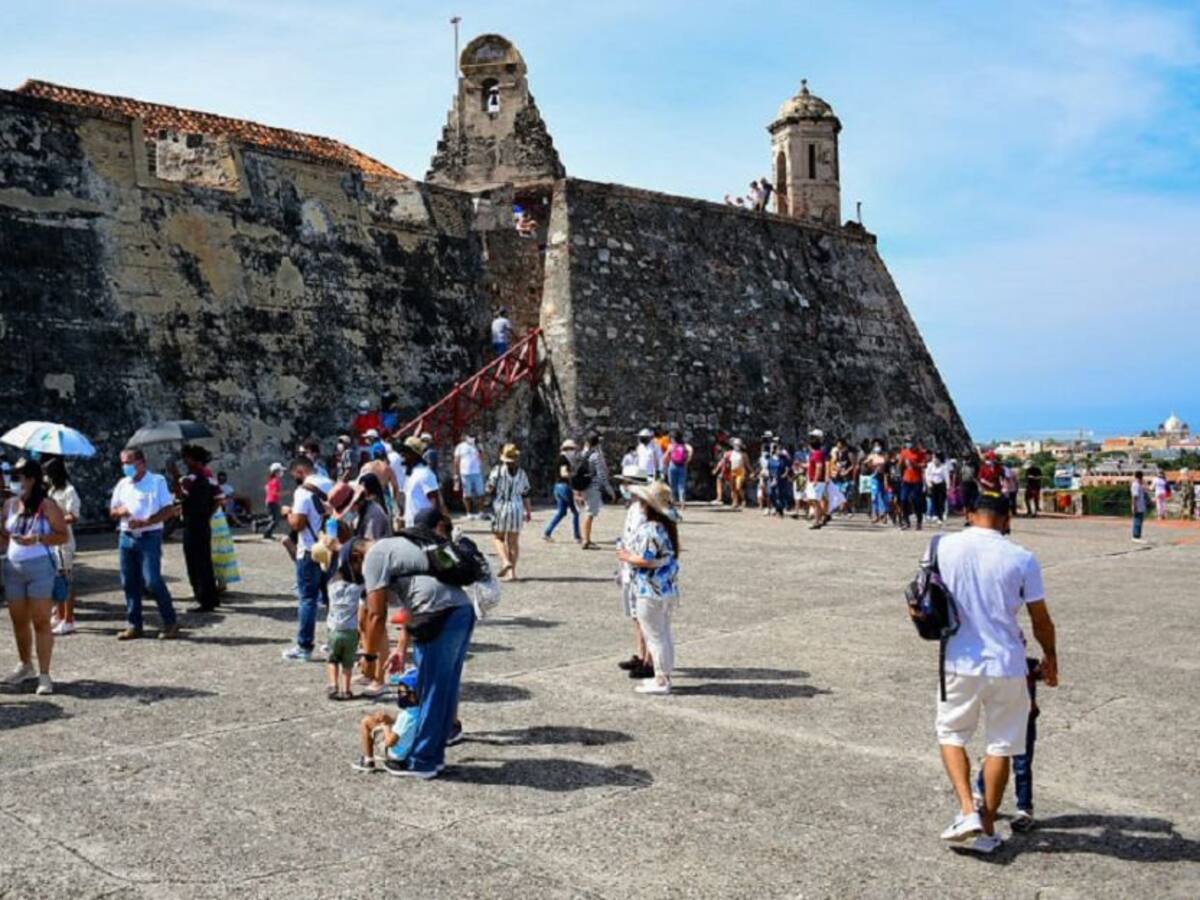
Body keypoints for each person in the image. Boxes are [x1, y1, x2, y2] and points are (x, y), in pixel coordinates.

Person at [921, 492, 1058, 855]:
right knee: (1002, 744)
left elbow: (921, 597)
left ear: (968, 514)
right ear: (1007, 518)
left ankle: (967, 809)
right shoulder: (1022, 558)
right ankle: (985, 829)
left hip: (958, 658)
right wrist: (1050, 657)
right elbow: (1040, 619)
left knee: (951, 733)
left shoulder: (942, 546)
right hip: (1008, 662)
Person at [359, 519, 477, 778]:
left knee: (430, 692)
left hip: (438, 616)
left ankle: (422, 761)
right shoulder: (403, 545)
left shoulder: (374, 557)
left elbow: (376, 615)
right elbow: (412, 602)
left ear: (356, 557)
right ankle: (434, 757)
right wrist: (402, 647)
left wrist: (369, 657)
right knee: (444, 690)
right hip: (462, 611)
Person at [1, 459, 69, 694]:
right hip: (12, 568)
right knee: (19, 621)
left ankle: (45, 674)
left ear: (30, 480)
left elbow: (63, 536)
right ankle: (25, 665)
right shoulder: (10, 505)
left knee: (41, 621)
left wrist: (38, 539)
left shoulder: (47, 505)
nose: (12, 482)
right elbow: (4, 536)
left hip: (40, 567)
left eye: (17, 478)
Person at [616, 481, 681, 696]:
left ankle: (661, 680)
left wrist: (626, 556)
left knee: (655, 636)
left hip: (649, 590)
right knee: (664, 634)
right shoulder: (665, 527)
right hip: (665, 589)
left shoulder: (650, 529)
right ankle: (664, 675)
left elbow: (646, 559)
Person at [110, 448, 180, 641]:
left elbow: (168, 510)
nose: (126, 467)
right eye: (123, 463)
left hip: (149, 535)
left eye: (129, 462)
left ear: (141, 462)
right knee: (129, 582)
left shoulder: (156, 482)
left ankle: (170, 622)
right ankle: (134, 624)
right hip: (126, 536)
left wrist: (147, 521)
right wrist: (120, 511)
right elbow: (112, 511)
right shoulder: (123, 484)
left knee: (152, 580)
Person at [975, 656, 1043, 832]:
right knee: (996, 756)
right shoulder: (997, 665)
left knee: (1022, 765)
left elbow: (1042, 676)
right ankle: (981, 796)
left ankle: (1024, 809)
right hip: (1003, 719)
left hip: (1024, 720)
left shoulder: (1026, 665)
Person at [280, 456, 335, 661]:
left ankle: (304, 646)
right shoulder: (330, 484)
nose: (294, 478)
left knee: (308, 599)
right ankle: (333, 641)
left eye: (294, 474)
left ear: (301, 471)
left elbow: (298, 524)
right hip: (330, 547)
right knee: (331, 598)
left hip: (310, 550)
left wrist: (288, 513)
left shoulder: (302, 492)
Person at [615, 467, 653, 679]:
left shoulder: (647, 509)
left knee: (645, 618)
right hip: (629, 566)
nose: (623, 487)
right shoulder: (632, 508)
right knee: (636, 617)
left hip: (640, 568)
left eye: (626, 483)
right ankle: (640, 655)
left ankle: (650, 660)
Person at [178, 445, 221, 613]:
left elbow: (181, 496)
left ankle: (203, 597)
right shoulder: (209, 476)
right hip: (203, 523)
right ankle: (210, 596)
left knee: (195, 562)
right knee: (205, 561)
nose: (185, 461)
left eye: (187, 458)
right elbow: (219, 499)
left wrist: (176, 478)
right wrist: (208, 515)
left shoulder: (192, 479)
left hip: (194, 523)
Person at [353, 673, 419, 772]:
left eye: (402, 692)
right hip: (410, 750)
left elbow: (390, 742)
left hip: (396, 755)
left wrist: (385, 726)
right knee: (377, 721)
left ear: (412, 696)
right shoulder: (422, 711)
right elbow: (407, 726)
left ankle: (368, 762)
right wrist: (391, 719)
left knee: (366, 722)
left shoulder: (405, 717)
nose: (400, 694)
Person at [44, 458, 81, 636]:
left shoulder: (69, 491)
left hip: (64, 541)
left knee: (67, 580)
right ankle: (59, 616)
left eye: (49, 474)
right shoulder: (52, 490)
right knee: (56, 580)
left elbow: (73, 516)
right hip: (53, 541)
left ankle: (69, 619)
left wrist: (55, 520)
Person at [487, 444, 532, 582]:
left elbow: (489, 488)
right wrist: (528, 510)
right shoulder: (522, 473)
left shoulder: (498, 471)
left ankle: (505, 561)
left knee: (498, 538)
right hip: (517, 508)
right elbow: (526, 493)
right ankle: (512, 573)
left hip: (501, 507)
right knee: (513, 542)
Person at [325, 549, 365, 701]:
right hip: (351, 630)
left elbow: (327, 569)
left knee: (332, 660)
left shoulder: (332, 585)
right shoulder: (358, 588)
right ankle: (346, 690)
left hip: (334, 629)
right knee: (348, 664)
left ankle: (333, 685)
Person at [578, 433, 613, 550]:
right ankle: (586, 540)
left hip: (584, 486)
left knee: (588, 512)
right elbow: (601, 475)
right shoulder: (596, 456)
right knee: (590, 513)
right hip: (593, 486)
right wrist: (609, 490)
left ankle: (586, 538)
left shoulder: (583, 454)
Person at [398, 436, 442, 528]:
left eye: (405, 452)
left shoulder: (425, 474)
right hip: (411, 527)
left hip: (423, 529)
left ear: (414, 454)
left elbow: (435, 504)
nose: (402, 455)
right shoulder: (411, 474)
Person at [544, 439, 582, 543]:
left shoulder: (559, 459)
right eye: (573, 449)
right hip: (564, 487)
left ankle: (547, 532)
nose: (574, 452)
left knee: (561, 512)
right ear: (568, 449)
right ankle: (577, 536)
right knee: (576, 512)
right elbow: (564, 473)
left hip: (557, 487)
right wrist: (573, 474)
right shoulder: (563, 460)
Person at [897, 439, 928, 530]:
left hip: (916, 480)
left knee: (915, 500)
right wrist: (900, 462)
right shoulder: (904, 452)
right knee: (903, 500)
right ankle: (906, 521)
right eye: (906, 442)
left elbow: (924, 465)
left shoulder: (920, 453)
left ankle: (919, 521)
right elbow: (900, 465)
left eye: (910, 442)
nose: (908, 444)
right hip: (906, 480)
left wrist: (915, 465)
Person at [453, 435, 485, 519]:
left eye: (473, 437)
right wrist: (456, 474)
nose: (471, 439)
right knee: (467, 494)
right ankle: (469, 513)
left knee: (481, 493)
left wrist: (478, 449)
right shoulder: (460, 446)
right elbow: (456, 460)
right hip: (465, 473)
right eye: (469, 437)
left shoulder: (478, 446)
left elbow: (482, 458)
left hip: (477, 473)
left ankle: (481, 512)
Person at [805, 430, 829, 529]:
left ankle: (817, 520)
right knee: (812, 500)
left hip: (817, 481)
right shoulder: (814, 454)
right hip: (813, 480)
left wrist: (815, 479)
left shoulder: (817, 454)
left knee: (815, 501)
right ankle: (822, 516)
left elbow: (819, 467)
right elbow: (812, 466)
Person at [666, 430, 691, 507]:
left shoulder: (671, 446)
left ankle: (673, 501)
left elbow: (666, 456)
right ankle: (682, 503)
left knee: (672, 485)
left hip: (672, 465)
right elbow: (690, 451)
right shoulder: (685, 446)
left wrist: (665, 464)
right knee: (681, 485)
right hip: (682, 466)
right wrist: (686, 462)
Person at [261, 462, 284, 539]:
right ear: (276, 472)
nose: (281, 473)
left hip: (270, 501)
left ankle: (258, 524)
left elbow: (266, 488)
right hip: (273, 501)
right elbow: (274, 492)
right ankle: (267, 533)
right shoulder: (275, 481)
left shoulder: (271, 480)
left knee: (272, 518)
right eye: (280, 471)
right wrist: (283, 494)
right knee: (275, 519)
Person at [925, 452, 949, 525]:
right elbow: (927, 475)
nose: (934, 459)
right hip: (933, 485)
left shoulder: (943, 467)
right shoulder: (930, 466)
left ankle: (940, 517)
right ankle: (935, 515)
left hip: (941, 485)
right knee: (934, 501)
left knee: (940, 502)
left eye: (936, 458)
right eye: (934, 458)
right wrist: (929, 483)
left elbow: (946, 477)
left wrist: (948, 487)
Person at [728, 438, 749, 510]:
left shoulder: (743, 454)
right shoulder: (730, 453)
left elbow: (747, 464)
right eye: (735, 445)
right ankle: (735, 502)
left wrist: (751, 472)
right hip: (732, 471)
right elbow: (726, 462)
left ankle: (743, 500)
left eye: (738, 445)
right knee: (733, 488)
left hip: (740, 471)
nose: (737, 446)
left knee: (738, 486)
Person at [1130, 471, 1147, 542]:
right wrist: (1134, 505)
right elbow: (1134, 496)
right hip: (1138, 505)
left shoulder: (1139, 485)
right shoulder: (1135, 485)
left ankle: (1138, 535)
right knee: (1137, 520)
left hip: (1140, 505)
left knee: (1139, 520)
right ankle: (1135, 536)